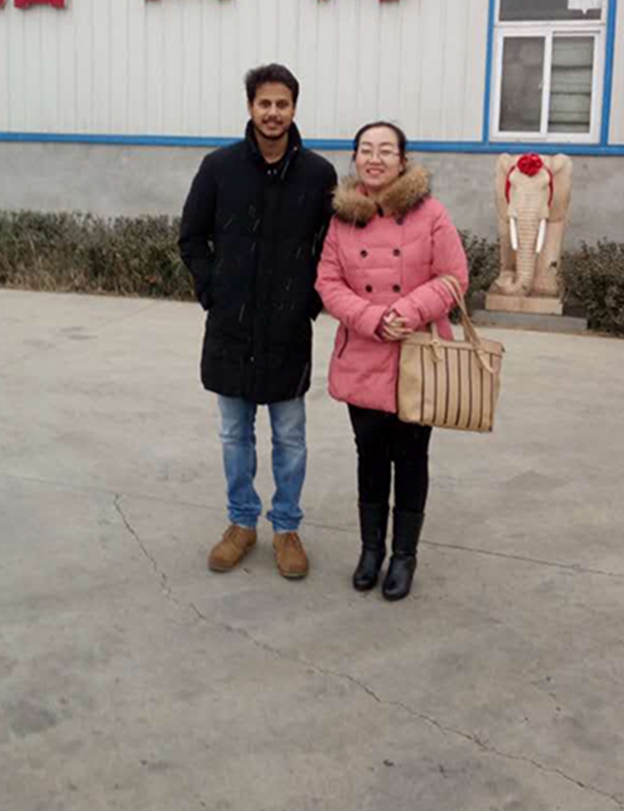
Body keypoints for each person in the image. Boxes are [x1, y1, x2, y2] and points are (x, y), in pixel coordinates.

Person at [179, 64, 338, 580]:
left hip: (288, 329)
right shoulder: (219, 167)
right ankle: (241, 523)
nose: (273, 113)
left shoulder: (318, 174)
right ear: (250, 107)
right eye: (264, 103)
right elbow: (191, 237)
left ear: (294, 109)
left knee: (290, 435)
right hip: (231, 328)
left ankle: (286, 528)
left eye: (282, 104)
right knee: (234, 433)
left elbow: (332, 248)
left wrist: (309, 302)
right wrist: (214, 292)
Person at [315, 122, 468, 601]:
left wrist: (408, 311)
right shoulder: (342, 220)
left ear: (403, 160)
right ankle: (370, 550)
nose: (375, 158)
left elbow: (454, 276)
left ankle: (404, 555)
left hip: (418, 354)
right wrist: (373, 319)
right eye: (366, 150)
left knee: (412, 457)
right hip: (363, 352)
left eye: (386, 150)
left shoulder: (431, 213)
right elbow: (327, 283)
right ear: (355, 158)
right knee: (370, 456)